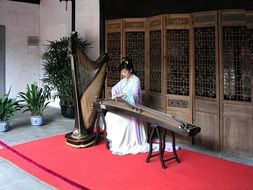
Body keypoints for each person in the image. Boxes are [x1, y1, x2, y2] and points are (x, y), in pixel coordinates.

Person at [105, 57, 149, 155]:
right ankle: (115, 141)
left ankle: (124, 143)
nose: (123, 74)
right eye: (122, 72)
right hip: (124, 107)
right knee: (109, 115)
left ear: (130, 70)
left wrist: (123, 94)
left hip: (133, 108)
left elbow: (135, 94)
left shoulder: (136, 80)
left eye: (125, 72)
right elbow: (115, 88)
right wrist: (116, 94)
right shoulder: (124, 80)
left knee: (117, 119)